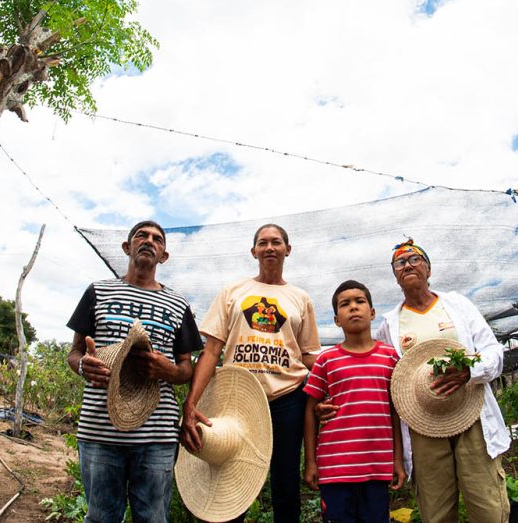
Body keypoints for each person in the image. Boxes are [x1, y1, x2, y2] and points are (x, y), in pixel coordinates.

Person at [182, 223, 322, 523]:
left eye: (276, 242)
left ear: (288, 250)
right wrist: (191, 403)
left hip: (288, 398)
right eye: (263, 243)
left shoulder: (300, 298)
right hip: (239, 399)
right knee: (231, 470)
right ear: (253, 251)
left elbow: (309, 356)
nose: (269, 247)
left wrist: (336, 379)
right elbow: (211, 351)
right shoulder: (232, 292)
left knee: (286, 480)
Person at [67, 220, 203, 523]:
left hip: (157, 434)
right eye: (142, 235)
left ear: (163, 256)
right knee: (100, 517)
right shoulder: (98, 291)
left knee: (153, 518)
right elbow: (74, 352)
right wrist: (84, 366)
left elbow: (187, 368)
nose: (149, 241)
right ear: (127, 247)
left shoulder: (178, 304)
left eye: (157, 239)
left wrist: (168, 370)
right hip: (99, 429)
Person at [376, 239, 511, 523]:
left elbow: (493, 351)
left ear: (429, 269)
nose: (407, 265)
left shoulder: (457, 305)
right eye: (400, 263)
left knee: (487, 505)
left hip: (471, 414)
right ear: (395, 275)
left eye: (415, 259)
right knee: (435, 511)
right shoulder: (389, 325)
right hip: (422, 425)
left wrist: (470, 372)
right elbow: (382, 376)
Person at [303, 280, 406, 523]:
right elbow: (309, 410)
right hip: (335, 469)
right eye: (344, 304)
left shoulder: (390, 358)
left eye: (360, 301)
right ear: (336, 320)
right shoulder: (326, 360)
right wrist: (310, 462)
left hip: (377, 468)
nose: (353, 307)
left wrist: (397, 460)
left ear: (372, 312)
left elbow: (395, 411)